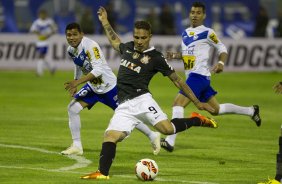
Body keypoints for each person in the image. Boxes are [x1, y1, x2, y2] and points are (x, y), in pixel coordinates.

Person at [79, 6, 217, 180]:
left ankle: (197, 119)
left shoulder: (156, 58)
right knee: (110, 136)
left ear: (150, 37)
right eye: (136, 37)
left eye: (143, 38)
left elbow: (178, 80)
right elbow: (114, 41)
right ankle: (102, 173)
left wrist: (197, 102)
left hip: (143, 100)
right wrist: (105, 22)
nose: (139, 41)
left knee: (167, 129)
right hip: (124, 105)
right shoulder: (127, 48)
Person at [160, 1, 262, 152]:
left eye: (198, 13)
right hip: (199, 78)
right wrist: (175, 55)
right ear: (189, 14)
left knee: (178, 104)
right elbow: (190, 55)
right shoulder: (185, 33)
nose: (195, 15)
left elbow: (222, 48)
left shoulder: (208, 32)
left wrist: (221, 62)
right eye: (192, 12)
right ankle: (251, 111)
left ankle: (170, 141)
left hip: (198, 76)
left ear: (204, 15)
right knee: (216, 110)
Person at [61, 22, 162, 156]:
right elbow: (79, 65)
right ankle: (77, 146)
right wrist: (76, 83)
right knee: (72, 108)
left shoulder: (90, 46)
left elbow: (98, 70)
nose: (72, 38)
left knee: (128, 115)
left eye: (75, 34)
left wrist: (77, 82)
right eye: (69, 35)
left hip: (110, 88)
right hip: (93, 87)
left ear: (81, 35)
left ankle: (152, 135)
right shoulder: (71, 50)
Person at [30, 9, 57, 77]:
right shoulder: (37, 22)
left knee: (41, 56)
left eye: (44, 14)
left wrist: (48, 35)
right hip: (39, 42)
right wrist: (39, 34)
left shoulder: (49, 22)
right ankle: (51, 68)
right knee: (43, 57)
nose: (43, 16)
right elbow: (32, 30)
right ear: (39, 15)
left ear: (46, 15)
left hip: (46, 42)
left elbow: (55, 30)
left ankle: (39, 73)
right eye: (41, 14)